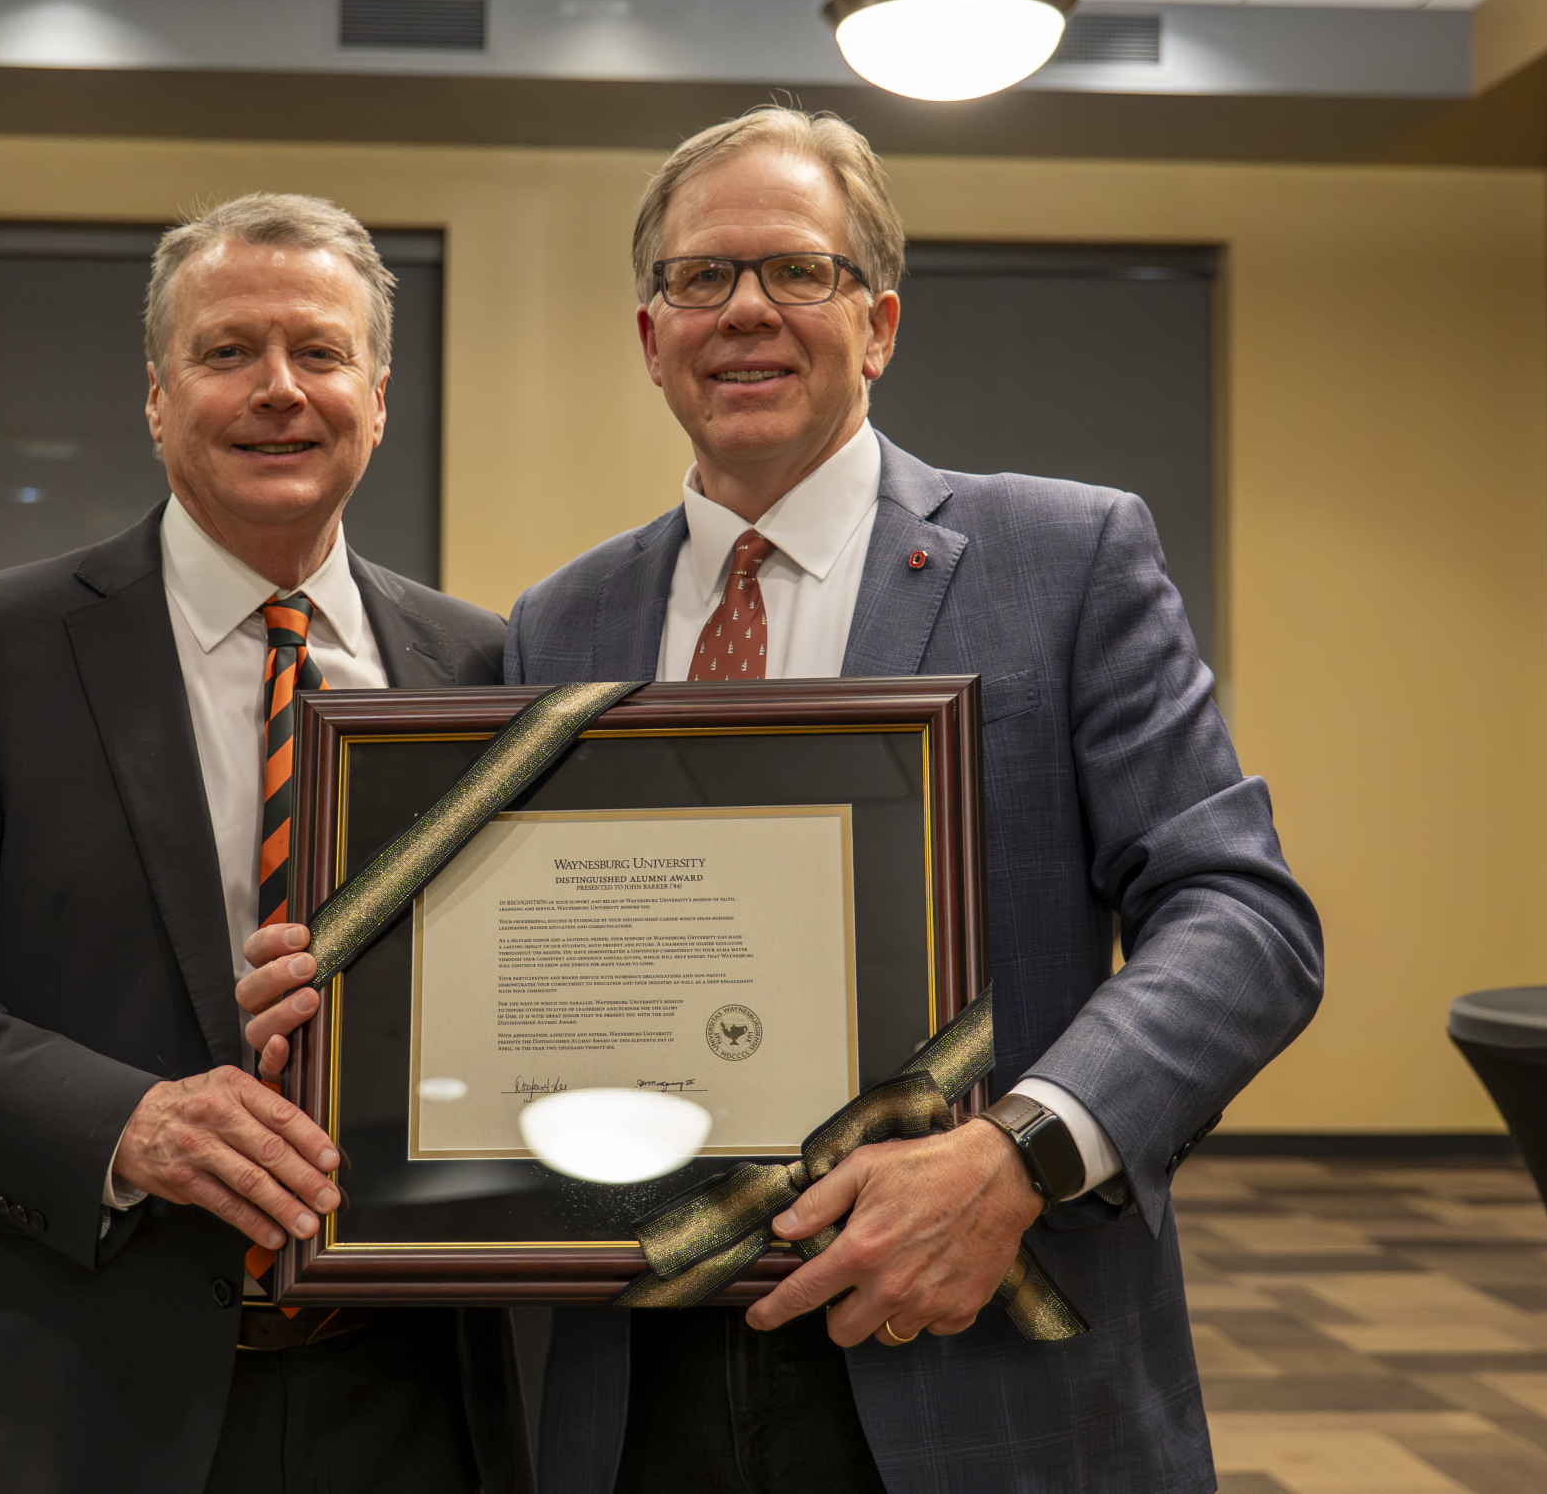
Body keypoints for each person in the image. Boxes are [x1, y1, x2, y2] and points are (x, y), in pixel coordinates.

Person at [245, 108, 1321, 1491]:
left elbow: (1243, 917)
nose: (744, 310)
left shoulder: (1066, 559)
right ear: (652, 339)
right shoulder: (563, 621)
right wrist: (356, 985)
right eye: (701, 277)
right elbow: (529, 957)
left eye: (797, 271)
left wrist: (1022, 1153)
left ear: (878, 324)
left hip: (973, 1355)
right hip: (641, 1381)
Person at [0, 194, 529, 1494]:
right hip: (91, 1392)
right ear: (156, 396)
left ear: (378, 397)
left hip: (419, 1395)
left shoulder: (482, 667)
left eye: (319, 352)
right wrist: (127, 1123)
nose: (278, 390)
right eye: (227, 351)